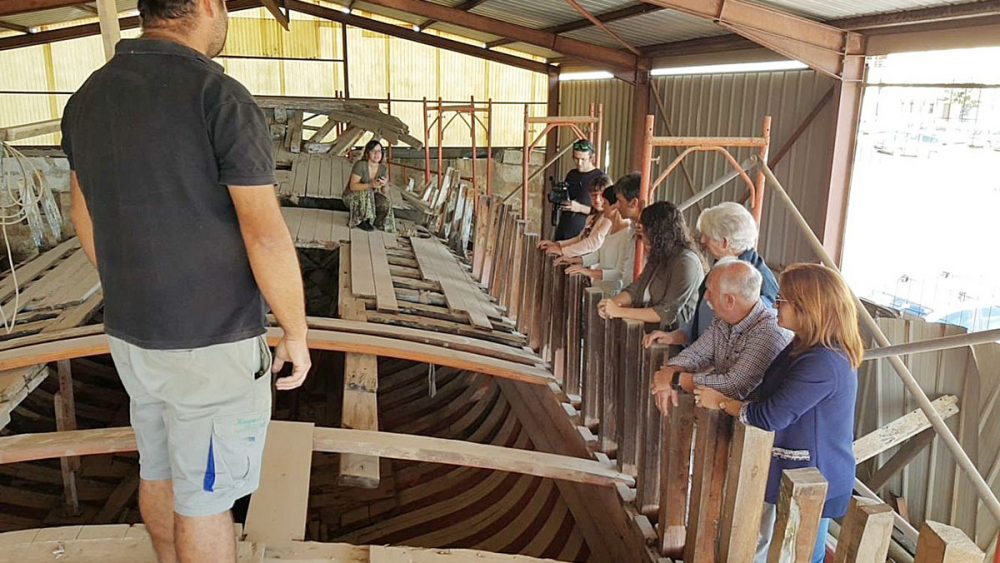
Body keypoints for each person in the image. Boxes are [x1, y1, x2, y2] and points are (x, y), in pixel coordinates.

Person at [62, 1, 312, 561]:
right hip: (211, 343)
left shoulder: (88, 96)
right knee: (205, 498)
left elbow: (83, 212)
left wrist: (129, 284)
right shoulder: (218, 97)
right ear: (205, 6)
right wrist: (295, 331)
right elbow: (264, 234)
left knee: (159, 470)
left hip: (130, 335)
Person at [692, 264, 863, 563]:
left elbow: (771, 415)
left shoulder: (824, 360)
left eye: (782, 300)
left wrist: (722, 401)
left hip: (812, 474)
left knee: (797, 554)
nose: (775, 305)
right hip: (794, 467)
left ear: (807, 307)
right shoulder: (804, 345)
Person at [649, 259, 792, 415]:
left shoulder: (769, 331)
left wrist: (676, 379)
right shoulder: (723, 320)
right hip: (726, 421)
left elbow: (733, 386)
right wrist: (669, 372)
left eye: (710, 291)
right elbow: (696, 354)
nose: (706, 297)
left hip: (755, 432)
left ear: (729, 300)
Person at [644, 201, 778, 349]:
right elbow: (701, 320)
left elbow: (740, 344)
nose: (702, 240)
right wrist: (672, 337)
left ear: (725, 242)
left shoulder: (755, 285)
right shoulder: (722, 268)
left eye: (708, 236)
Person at [597, 183, 704, 332]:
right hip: (647, 330)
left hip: (670, 338)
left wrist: (619, 311)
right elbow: (637, 288)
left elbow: (666, 312)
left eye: (646, 233)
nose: (644, 240)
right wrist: (613, 303)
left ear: (659, 234)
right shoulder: (660, 254)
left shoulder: (686, 263)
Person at [561, 184, 634, 294]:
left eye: (605, 203)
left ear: (615, 206)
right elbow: (598, 255)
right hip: (598, 287)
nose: (602, 207)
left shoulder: (626, 234)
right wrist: (572, 259)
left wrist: (587, 271)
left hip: (612, 293)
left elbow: (619, 273)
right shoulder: (611, 229)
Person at [538, 173, 613, 258]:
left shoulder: (608, 218)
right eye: (594, 195)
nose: (597, 200)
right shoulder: (592, 216)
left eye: (601, 195)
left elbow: (593, 243)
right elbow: (581, 238)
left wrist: (562, 251)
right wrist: (558, 244)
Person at [553, 139, 605, 241]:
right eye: (576, 159)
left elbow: (605, 212)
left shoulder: (600, 178)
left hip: (585, 236)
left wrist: (579, 208)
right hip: (564, 231)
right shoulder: (571, 175)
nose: (579, 163)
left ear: (592, 158)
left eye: (583, 159)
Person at [345, 139, 396, 232]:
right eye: (374, 151)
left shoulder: (382, 168)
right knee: (366, 192)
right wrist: (370, 184)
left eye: (379, 151)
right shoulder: (361, 165)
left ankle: (377, 222)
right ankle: (361, 220)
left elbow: (385, 191)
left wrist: (385, 184)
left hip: (370, 197)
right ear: (368, 153)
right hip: (352, 196)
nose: (377, 154)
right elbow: (353, 187)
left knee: (385, 202)